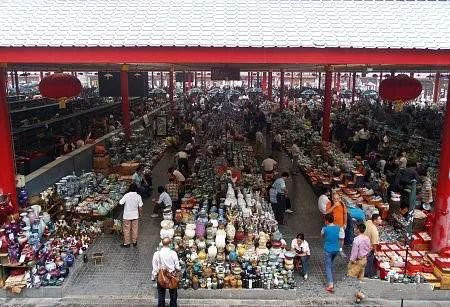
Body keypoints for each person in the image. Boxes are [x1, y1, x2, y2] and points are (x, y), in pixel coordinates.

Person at [152, 238, 180, 307]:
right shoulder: (173, 253)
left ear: (162, 243)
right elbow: (177, 267)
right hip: (172, 276)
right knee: (173, 294)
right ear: (170, 244)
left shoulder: (157, 254)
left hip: (161, 276)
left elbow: (155, 267)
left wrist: (154, 276)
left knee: (161, 294)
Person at [347, 223, 371, 304]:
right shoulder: (367, 238)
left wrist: (352, 260)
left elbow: (354, 252)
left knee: (351, 277)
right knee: (359, 279)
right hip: (364, 260)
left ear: (358, 229)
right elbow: (369, 249)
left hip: (357, 261)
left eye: (356, 228)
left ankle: (360, 295)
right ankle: (358, 297)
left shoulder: (356, 240)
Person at [321, 213, 344, 293]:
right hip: (336, 249)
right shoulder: (338, 228)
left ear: (326, 221)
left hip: (328, 249)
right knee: (331, 263)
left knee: (328, 266)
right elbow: (341, 238)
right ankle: (331, 275)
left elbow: (322, 236)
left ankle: (330, 284)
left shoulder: (325, 229)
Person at [119, 183, 143, 247]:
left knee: (126, 229)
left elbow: (120, 202)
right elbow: (140, 207)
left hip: (127, 216)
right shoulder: (138, 196)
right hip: (135, 215)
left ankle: (127, 243)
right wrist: (140, 214)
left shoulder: (126, 195)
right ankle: (134, 242)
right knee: (135, 229)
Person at [329, 193, 347, 257]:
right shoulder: (330, 204)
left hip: (341, 225)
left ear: (339, 199)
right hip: (332, 225)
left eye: (337, 198)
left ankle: (340, 250)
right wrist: (334, 206)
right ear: (332, 199)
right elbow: (327, 212)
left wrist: (345, 223)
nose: (336, 200)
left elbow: (345, 214)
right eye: (334, 199)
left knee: (341, 239)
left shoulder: (342, 204)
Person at [364, 214, 382, 278]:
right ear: (375, 221)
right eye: (379, 219)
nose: (381, 220)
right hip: (368, 247)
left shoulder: (368, 222)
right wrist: (375, 251)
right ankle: (366, 274)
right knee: (369, 261)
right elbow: (374, 243)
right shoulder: (374, 231)